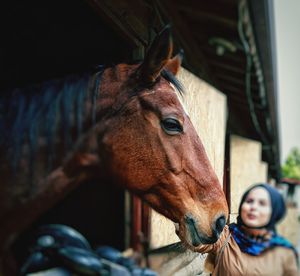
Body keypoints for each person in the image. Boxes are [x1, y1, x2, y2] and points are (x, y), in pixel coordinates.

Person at [196, 183, 299, 276]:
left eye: (262, 203)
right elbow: (198, 242)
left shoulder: (284, 251)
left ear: (274, 212)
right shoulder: (225, 237)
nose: (253, 207)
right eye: (249, 201)